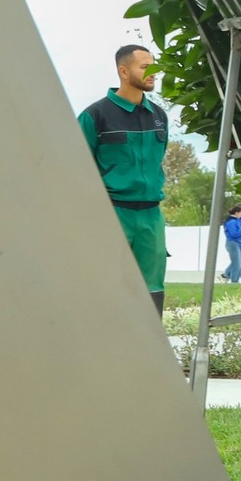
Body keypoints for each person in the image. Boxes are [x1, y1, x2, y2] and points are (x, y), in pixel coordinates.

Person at [79, 43, 170, 313]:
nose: (153, 73)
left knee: (152, 290)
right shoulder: (95, 116)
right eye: (145, 67)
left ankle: (149, 341)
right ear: (123, 71)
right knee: (106, 288)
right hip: (112, 215)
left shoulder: (159, 116)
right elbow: (76, 171)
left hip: (151, 217)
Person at [222, 203, 241, 285]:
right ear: (236, 213)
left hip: (239, 243)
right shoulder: (231, 222)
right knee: (238, 262)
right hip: (233, 243)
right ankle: (234, 280)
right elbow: (234, 234)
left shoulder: (237, 220)